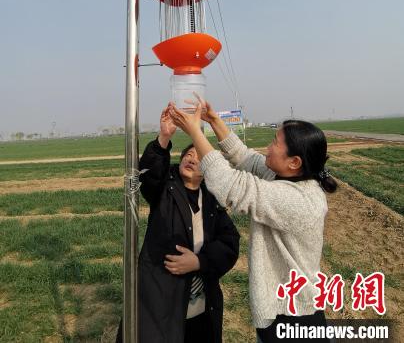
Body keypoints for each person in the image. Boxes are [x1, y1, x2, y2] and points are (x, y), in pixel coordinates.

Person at [168, 100, 338, 343]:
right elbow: (246, 158)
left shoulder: (298, 200)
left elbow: (231, 185)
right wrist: (213, 121)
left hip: (292, 317)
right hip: (283, 311)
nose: (268, 149)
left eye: (275, 143)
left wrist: (195, 132)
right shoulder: (285, 176)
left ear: (294, 162)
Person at [116, 106, 240, 343]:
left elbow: (230, 243)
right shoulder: (165, 187)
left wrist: (199, 261)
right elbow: (149, 176)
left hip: (201, 309)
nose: (191, 158)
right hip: (161, 302)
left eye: (199, 157)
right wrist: (164, 137)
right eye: (188, 154)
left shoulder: (211, 200)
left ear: (209, 171)